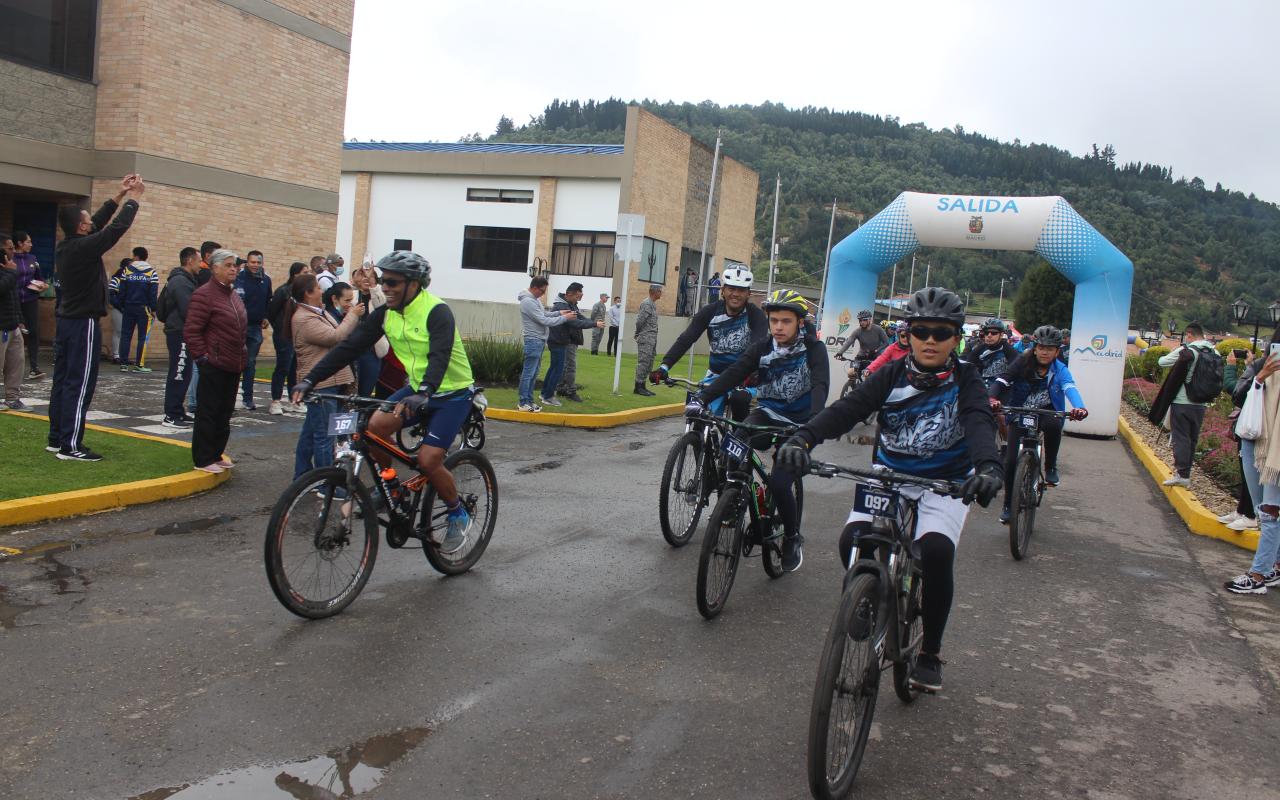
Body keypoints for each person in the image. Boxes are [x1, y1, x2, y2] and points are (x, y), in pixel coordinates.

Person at [775, 287, 1003, 692]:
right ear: (908, 334)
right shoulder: (892, 373)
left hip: (943, 482)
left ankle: (930, 651)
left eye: (940, 332)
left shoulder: (967, 378)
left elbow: (978, 422)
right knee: (853, 540)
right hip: (890, 473)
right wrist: (803, 439)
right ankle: (867, 596)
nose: (929, 340)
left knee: (935, 551)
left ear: (955, 338)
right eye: (920, 331)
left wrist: (988, 467)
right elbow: (848, 409)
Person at [293, 251, 478, 552]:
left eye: (392, 282)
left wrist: (427, 391)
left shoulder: (436, 311)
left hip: (452, 392)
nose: (385, 287)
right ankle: (393, 488)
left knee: (429, 460)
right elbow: (350, 347)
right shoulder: (386, 313)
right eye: (383, 281)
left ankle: (458, 514)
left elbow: (440, 355)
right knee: (374, 428)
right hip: (418, 389)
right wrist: (310, 379)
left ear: (414, 284)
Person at [689, 289, 831, 572]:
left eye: (786, 321)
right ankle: (733, 498)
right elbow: (733, 374)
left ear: (800, 322)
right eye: (774, 320)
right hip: (766, 414)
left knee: (779, 482)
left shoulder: (814, 349)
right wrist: (701, 399)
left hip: (800, 426)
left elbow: (820, 386)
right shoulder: (763, 348)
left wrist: (813, 425)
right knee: (735, 440)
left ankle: (792, 537)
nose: (778, 327)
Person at [49, 174, 143, 461]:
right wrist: (134, 199)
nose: (91, 221)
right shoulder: (82, 248)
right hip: (82, 324)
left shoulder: (69, 246)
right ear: (80, 225)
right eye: (87, 219)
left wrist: (119, 194)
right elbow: (113, 230)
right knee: (80, 382)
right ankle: (71, 445)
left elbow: (100, 223)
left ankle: (57, 438)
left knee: (63, 380)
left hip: (67, 321)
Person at [988, 325, 1089, 523]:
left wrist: (1079, 407)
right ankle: (1008, 504)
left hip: (1046, 411)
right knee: (1009, 461)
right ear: (1034, 348)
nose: (1045, 352)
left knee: (1053, 425)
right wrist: (992, 398)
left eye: (1050, 348)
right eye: (1041, 347)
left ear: (1057, 351)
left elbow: (1070, 388)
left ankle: (1051, 467)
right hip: (1020, 411)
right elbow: (1002, 380)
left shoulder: (1060, 369)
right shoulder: (1021, 362)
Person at [650, 265, 765, 420]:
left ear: (748, 294)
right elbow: (687, 338)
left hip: (744, 377)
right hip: (715, 375)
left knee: (739, 401)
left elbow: (756, 347)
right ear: (723, 290)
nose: (735, 294)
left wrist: (750, 373)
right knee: (699, 415)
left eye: (741, 290)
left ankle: (740, 438)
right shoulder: (710, 311)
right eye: (731, 289)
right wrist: (664, 366)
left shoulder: (755, 315)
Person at [1223, 331, 1280, 594]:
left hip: (1275, 453)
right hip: (1254, 443)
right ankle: (1272, 567)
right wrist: (1259, 376)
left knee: (1270, 513)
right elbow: (1237, 394)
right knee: (1264, 513)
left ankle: (1258, 575)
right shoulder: (1264, 365)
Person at [290, 273, 361, 478]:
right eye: (318, 288)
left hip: (332, 381)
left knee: (311, 433)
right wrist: (353, 315)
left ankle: (303, 475)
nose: (322, 291)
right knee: (324, 436)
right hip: (322, 384)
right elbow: (335, 336)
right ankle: (326, 482)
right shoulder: (304, 318)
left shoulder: (318, 312)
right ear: (308, 293)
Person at [184, 249, 247, 474]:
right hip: (214, 363)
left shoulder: (232, 294)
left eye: (235, 265)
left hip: (234, 362)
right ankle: (203, 457)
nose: (233, 269)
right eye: (229, 265)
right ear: (215, 267)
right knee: (208, 411)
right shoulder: (204, 294)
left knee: (224, 412)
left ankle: (216, 453)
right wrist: (203, 358)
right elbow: (192, 330)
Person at [1154, 322, 1218, 488]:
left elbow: (1162, 362)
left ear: (1189, 335)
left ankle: (1182, 474)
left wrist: (1173, 351)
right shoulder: (1214, 351)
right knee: (1192, 438)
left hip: (1182, 401)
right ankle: (1186, 473)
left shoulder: (1187, 351)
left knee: (1180, 437)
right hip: (1202, 402)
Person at [516, 275, 575, 412]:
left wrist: (559, 313)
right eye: (542, 291)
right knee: (528, 373)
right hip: (533, 340)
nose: (543, 294)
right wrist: (564, 318)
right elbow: (544, 321)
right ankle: (523, 402)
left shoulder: (534, 300)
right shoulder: (528, 301)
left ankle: (529, 401)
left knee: (534, 373)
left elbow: (544, 315)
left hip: (539, 340)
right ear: (534, 287)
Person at [159, 247, 201, 427]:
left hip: (180, 332)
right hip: (180, 333)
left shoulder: (182, 280)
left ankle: (178, 411)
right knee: (179, 373)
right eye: (199, 261)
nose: (201, 265)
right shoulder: (181, 282)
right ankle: (171, 414)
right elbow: (189, 310)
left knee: (183, 373)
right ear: (190, 261)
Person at [547, 282, 603, 405]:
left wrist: (592, 321)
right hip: (564, 340)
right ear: (569, 294)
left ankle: (561, 389)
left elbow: (579, 317)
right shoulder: (562, 306)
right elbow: (575, 323)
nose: (580, 297)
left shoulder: (570, 304)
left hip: (567, 339)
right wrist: (594, 324)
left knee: (562, 367)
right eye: (578, 296)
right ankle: (570, 391)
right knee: (568, 366)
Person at [232, 250, 271, 411]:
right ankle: (230, 398)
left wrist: (267, 316)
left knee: (250, 364)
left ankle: (247, 398)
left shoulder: (266, 280)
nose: (255, 265)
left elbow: (269, 299)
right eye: (252, 262)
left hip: (255, 327)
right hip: (239, 327)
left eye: (258, 262)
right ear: (247, 262)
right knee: (234, 363)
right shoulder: (238, 278)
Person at [266, 261, 308, 415]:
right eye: (304, 272)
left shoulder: (304, 293)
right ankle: (275, 401)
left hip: (299, 336)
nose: (307, 275)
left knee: (295, 368)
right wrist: (279, 327)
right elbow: (272, 311)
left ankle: (294, 400)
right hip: (284, 335)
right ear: (295, 274)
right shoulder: (283, 291)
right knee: (283, 366)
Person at [114, 248, 159, 372]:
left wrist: (122, 304)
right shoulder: (151, 272)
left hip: (128, 307)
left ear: (137, 257)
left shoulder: (127, 271)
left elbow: (121, 290)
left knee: (125, 335)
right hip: (144, 309)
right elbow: (153, 293)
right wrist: (154, 309)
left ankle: (123, 364)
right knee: (142, 337)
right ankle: (139, 365)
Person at [349, 262, 389, 397]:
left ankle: (362, 415)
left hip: (372, 349)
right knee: (349, 389)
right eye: (363, 276)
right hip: (351, 347)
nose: (366, 279)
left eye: (370, 277)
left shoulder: (379, 295)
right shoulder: (352, 295)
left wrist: (372, 284)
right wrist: (354, 283)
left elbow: (382, 306)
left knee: (366, 389)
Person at [12, 231, 47, 380]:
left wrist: (41, 285)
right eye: (28, 241)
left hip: (30, 299)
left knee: (33, 331)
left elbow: (39, 277)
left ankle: (34, 367)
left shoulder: (33, 259)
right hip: (14, 301)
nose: (31, 244)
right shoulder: (10, 258)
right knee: (13, 332)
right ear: (20, 243)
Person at [0, 235, 27, 411]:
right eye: (9, 249)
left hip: (12, 324)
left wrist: (20, 320)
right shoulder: (9, 271)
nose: (13, 252)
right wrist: (11, 272)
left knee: (17, 363)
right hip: (1, 326)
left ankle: (12, 397)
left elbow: (13, 298)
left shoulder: (9, 270)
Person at [835, 309, 889, 384]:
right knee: (851, 373)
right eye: (860, 320)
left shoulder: (878, 329)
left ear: (870, 320)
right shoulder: (857, 331)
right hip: (861, 356)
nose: (861, 322)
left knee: (868, 375)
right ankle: (853, 386)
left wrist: (876, 350)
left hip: (874, 357)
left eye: (864, 320)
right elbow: (849, 341)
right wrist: (840, 352)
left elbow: (886, 343)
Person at [963, 318, 1020, 388]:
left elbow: (1015, 370)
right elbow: (967, 367)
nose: (989, 335)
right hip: (981, 389)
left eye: (994, 333)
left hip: (1002, 389)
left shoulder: (1009, 350)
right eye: (986, 333)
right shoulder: (979, 349)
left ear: (1001, 335)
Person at [633, 284, 663, 396]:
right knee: (643, 362)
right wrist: (638, 333)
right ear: (654, 292)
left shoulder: (652, 304)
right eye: (660, 291)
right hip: (645, 337)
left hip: (651, 338)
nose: (661, 293)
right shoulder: (646, 304)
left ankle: (643, 386)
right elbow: (640, 321)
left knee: (649, 363)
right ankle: (638, 386)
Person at [107, 257, 129, 363]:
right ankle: (116, 355)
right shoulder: (116, 279)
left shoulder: (129, 278)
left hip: (127, 309)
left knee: (125, 333)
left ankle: (123, 355)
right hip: (118, 308)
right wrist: (120, 307)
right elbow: (111, 295)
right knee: (118, 331)